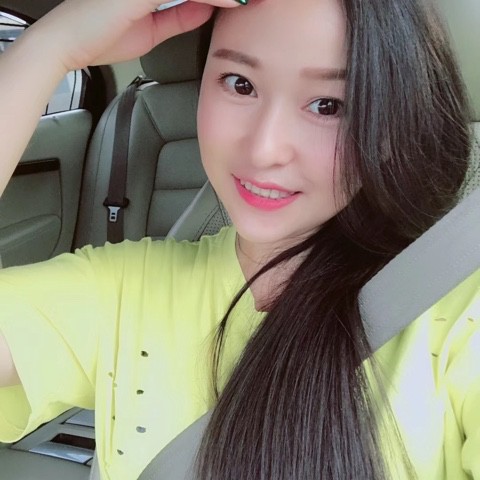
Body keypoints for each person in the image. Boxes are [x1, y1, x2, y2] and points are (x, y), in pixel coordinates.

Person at [0, 0, 478, 478]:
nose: (264, 148)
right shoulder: (125, 289)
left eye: (329, 105)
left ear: (392, 124)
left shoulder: (455, 312)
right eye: (240, 83)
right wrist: (47, 48)